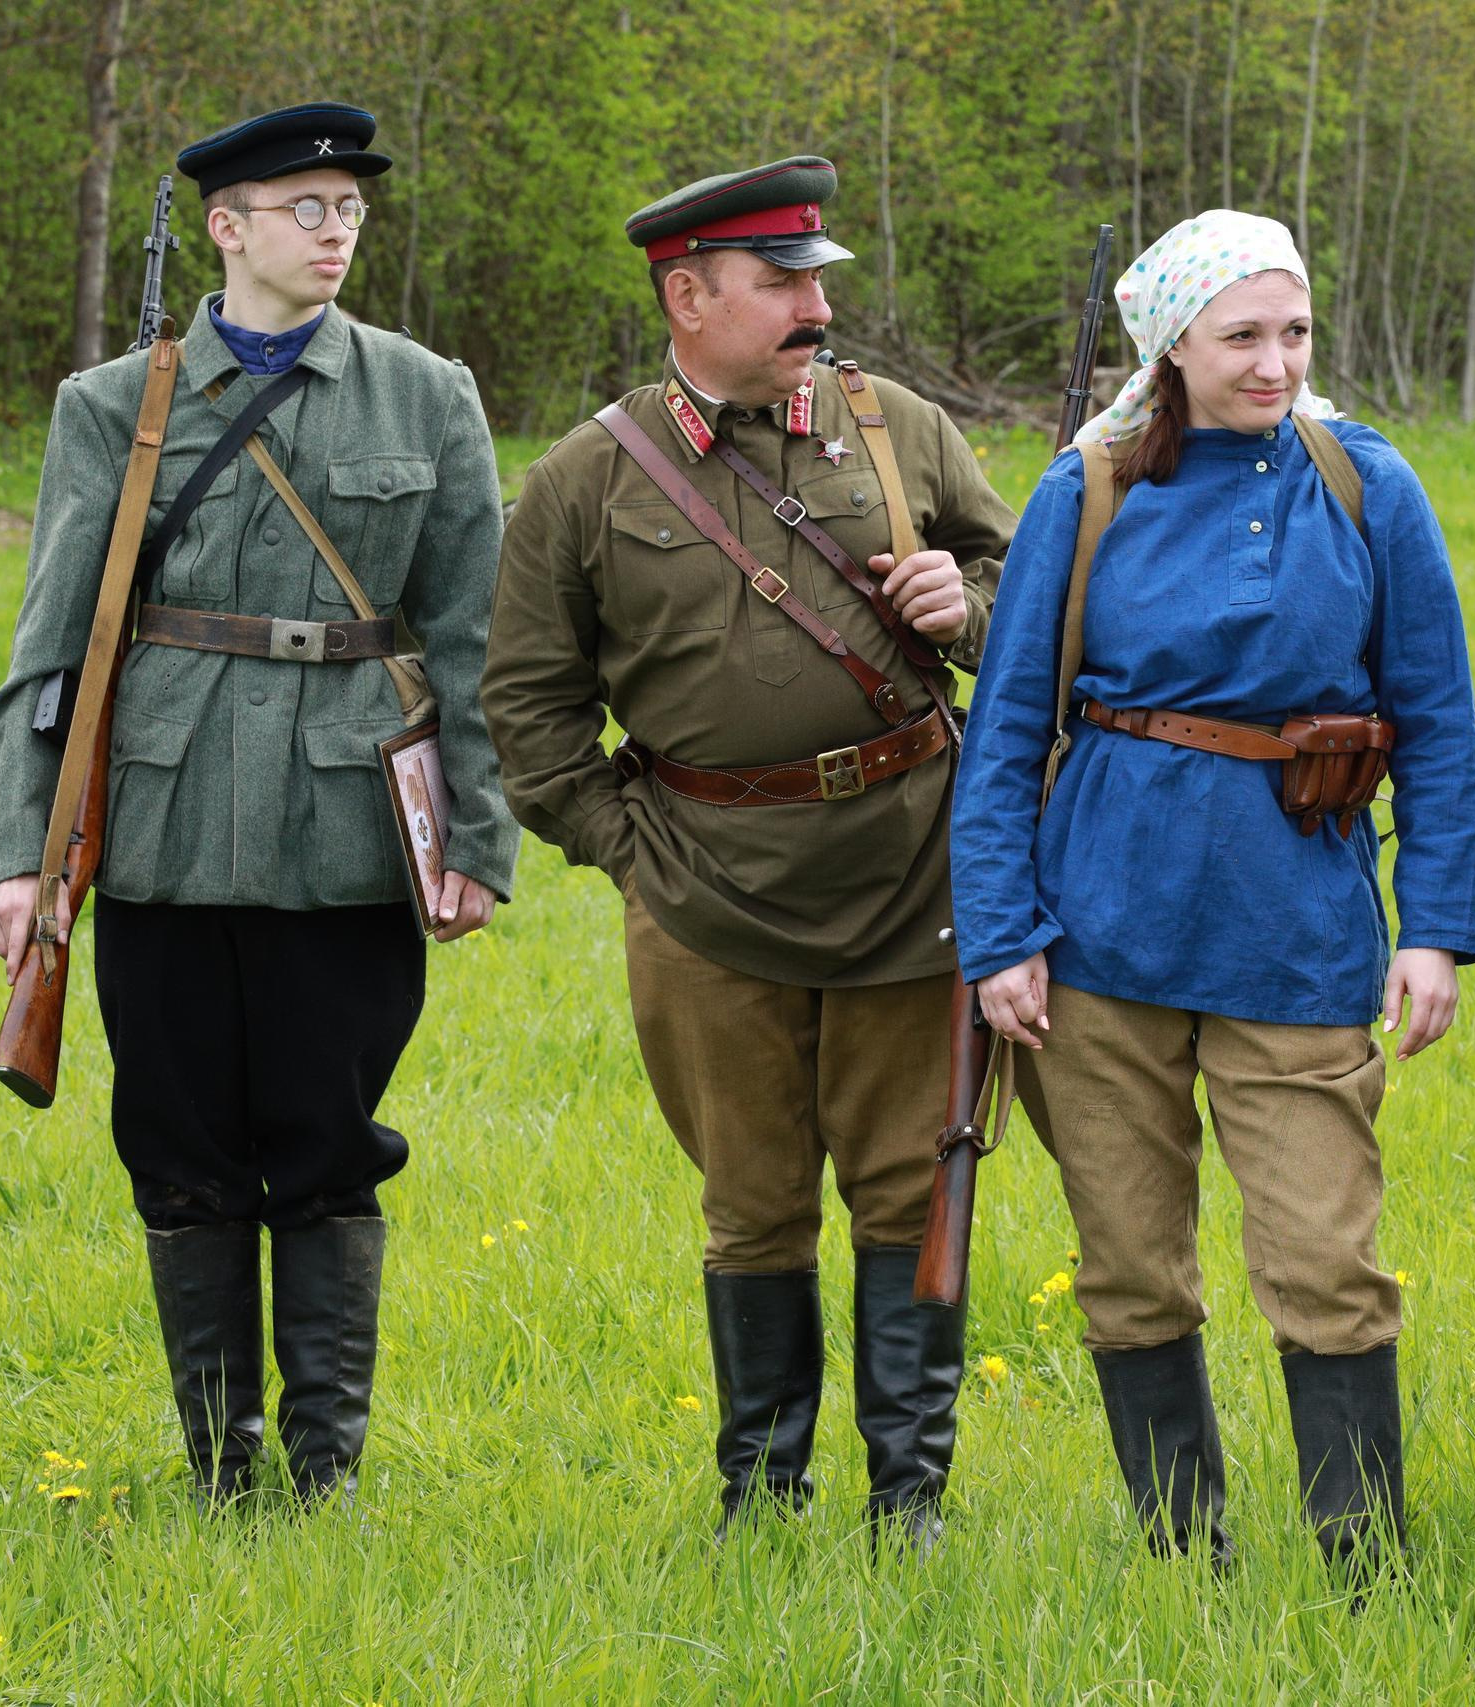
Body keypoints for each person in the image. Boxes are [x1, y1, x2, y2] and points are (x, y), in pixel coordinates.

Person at [0, 102, 518, 1505]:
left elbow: (473, 642)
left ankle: (322, 1473)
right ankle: (222, 1469)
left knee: (329, 1149)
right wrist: (23, 861)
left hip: (348, 839)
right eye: (305, 209)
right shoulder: (115, 405)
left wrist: (476, 841)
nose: (335, 232)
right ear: (228, 227)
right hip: (157, 836)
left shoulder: (427, 394)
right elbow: (52, 654)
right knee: (182, 1156)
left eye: (348, 209)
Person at [482, 156, 1015, 1546]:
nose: (813, 305)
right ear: (688, 294)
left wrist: (968, 606)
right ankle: (763, 1506)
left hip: (913, 877)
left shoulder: (898, 428)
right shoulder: (585, 479)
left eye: (817, 279)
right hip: (706, 898)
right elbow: (530, 706)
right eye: (781, 282)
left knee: (912, 1187)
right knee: (754, 1203)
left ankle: (912, 1505)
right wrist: (628, 847)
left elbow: (1034, 603)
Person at [951, 211, 1475, 1570]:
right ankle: (1184, 1557)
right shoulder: (1088, 492)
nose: (1273, 362)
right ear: (1174, 343)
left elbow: (1437, 720)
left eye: (1293, 332)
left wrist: (1433, 929)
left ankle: (1364, 1567)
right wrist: (1004, 935)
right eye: (1241, 335)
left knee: (1326, 1260)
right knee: (1130, 1266)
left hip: (1297, 932)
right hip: (1101, 934)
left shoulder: (1367, 484)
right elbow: (1011, 726)